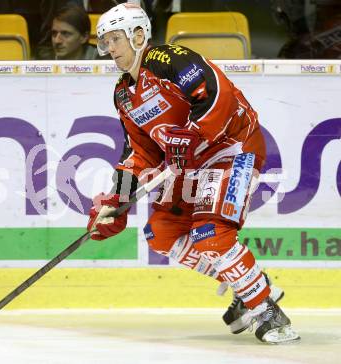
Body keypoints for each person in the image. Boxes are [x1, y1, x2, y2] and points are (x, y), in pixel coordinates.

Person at [86, 2, 300, 344]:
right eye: (104, 42)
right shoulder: (124, 94)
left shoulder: (170, 60)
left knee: (211, 233)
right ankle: (252, 286)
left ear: (138, 36)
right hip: (193, 165)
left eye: (115, 39)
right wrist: (119, 198)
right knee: (162, 232)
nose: (109, 49)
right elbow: (139, 150)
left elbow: (218, 94)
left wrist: (194, 133)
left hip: (232, 149)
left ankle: (268, 312)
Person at [37, 4, 102, 60]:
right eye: (54, 33)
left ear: (84, 37)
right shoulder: (43, 59)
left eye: (65, 34)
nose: (57, 41)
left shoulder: (104, 60)